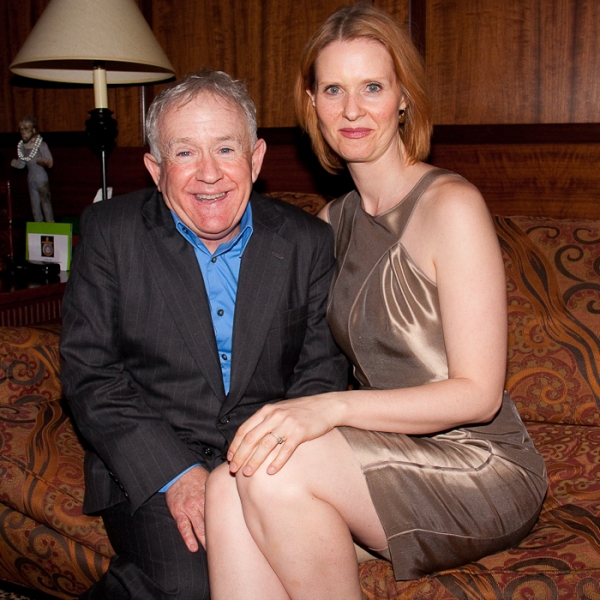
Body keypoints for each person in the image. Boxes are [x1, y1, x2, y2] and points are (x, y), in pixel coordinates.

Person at [204, 5, 548, 599]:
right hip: (387, 453)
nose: (353, 110)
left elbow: (478, 392)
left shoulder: (451, 206)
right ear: (312, 104)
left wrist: (328, 410)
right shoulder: (331, 221)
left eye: (372, 87)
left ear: (403, 98)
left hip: (482, 463)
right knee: (223, 484)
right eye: (333, 90)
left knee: (273, 472)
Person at [60, 69, 348, 600]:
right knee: (192, 585)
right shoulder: (110, 232)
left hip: (266, 462)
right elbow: (90, 374)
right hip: (154, 458)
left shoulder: (307, 242)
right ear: (155, 168)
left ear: (256, 159)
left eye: (225, 149)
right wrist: (179, 474)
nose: (209, 174)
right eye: (185, 153)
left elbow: (320, 375)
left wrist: (264, 470)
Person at [11, 115, 54, 222]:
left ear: (33, 130)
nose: (23, 132)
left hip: (41, 180)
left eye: (26, 129)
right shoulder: (22, 147)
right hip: (31, 181)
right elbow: (22, 164)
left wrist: (42, 161)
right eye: (21, 129)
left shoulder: (42, 145)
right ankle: (38, 228)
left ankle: (51, 227)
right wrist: (16, 163)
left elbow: (50, 163)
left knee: (46, 204)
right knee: (35, 206)